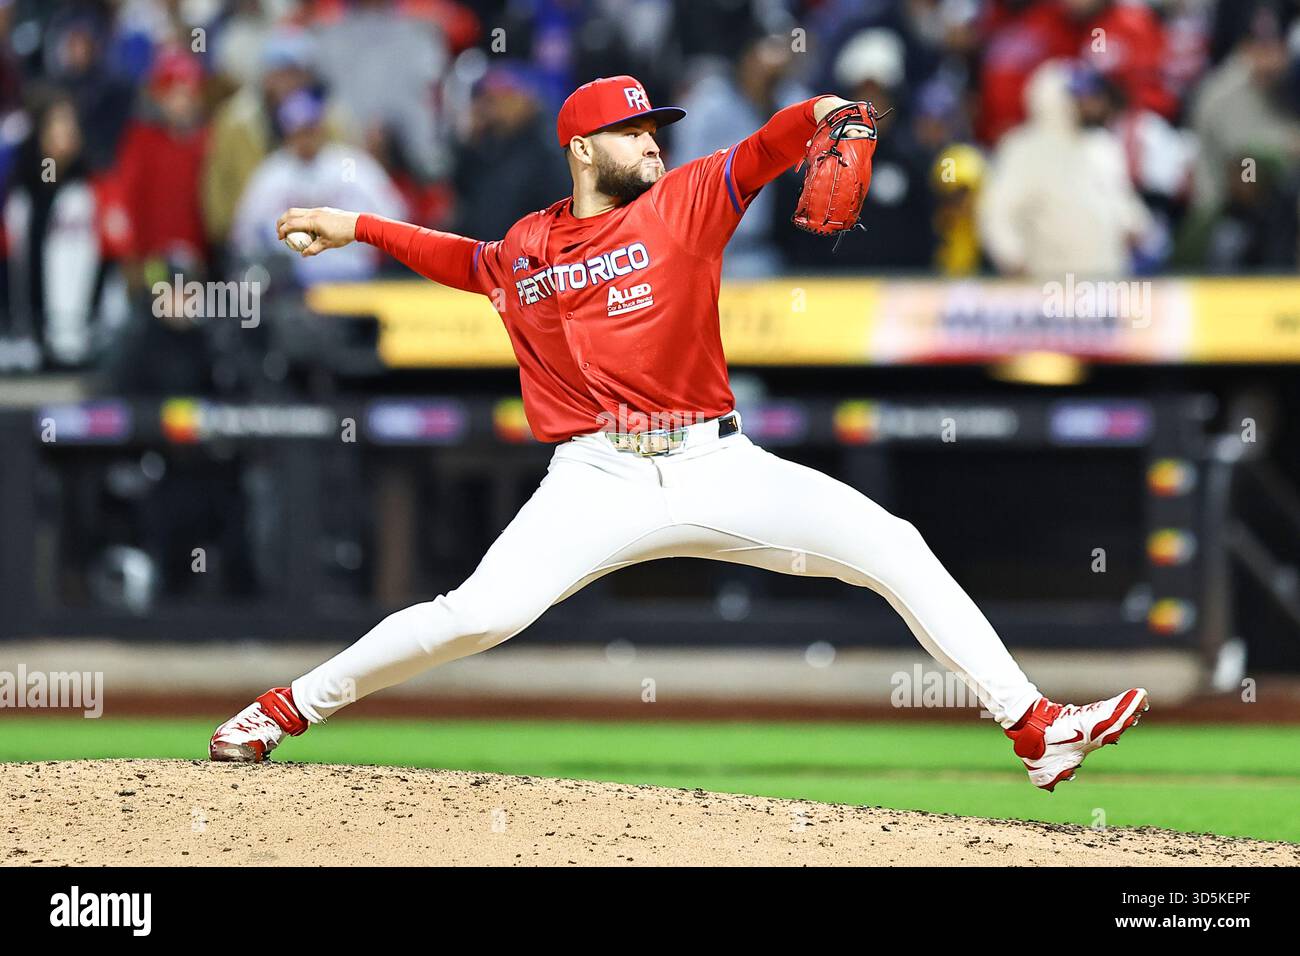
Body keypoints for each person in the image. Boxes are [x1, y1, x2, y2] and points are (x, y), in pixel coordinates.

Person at [210, 74, 1149, 792]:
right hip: (594, 480)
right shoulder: (529, 246)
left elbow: (771, 147)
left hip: (717, 462)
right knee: (478, 616)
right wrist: (357, 226)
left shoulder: (687, 203)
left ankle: (1035, 729)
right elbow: (466, 262)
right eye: (634, 133)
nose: (653, 144)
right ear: (582, 149)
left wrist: (834, 112)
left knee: (894, 546)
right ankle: (282, 710)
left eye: (657, 130)